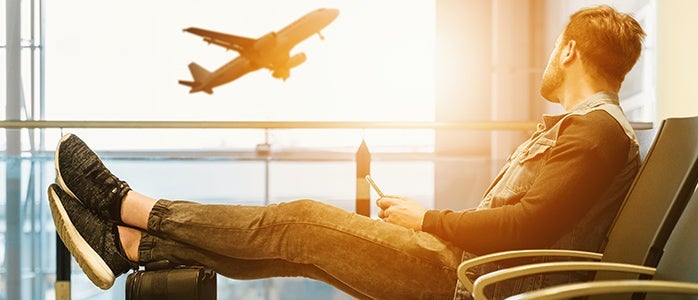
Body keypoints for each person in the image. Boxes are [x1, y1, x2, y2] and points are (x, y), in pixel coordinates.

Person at [48, 5, 645, 299]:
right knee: (298, 247)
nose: (546, 60)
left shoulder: (594, 134)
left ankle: (129, 208)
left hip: (469, 281)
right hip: (468, 266)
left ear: (569, 52)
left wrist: (428, 219)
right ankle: (127, 245)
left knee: (300, 222)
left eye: (553, 51)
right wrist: (430, 221)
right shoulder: (587, 130)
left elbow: (527, 225)